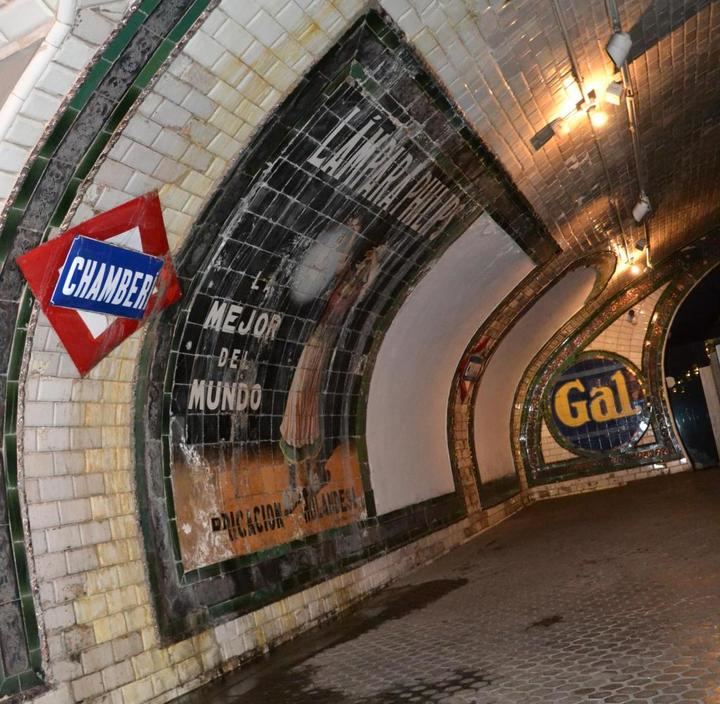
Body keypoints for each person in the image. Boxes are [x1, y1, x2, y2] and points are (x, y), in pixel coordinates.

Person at [279, 216, 382, 507]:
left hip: (324, 343)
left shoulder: (358, 287)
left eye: (363, 265)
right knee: (298, 401)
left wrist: (375, 261)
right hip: (317, 339)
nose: (359, 267)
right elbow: (342, 261)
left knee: (305, 403)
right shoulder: (345, 277)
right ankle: (298, 482)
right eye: (361, 262)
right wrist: (352, 233)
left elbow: (368, 282)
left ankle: (308, 478)